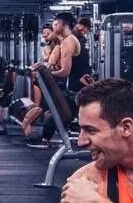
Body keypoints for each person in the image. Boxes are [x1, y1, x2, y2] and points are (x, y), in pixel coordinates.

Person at [29, 12, 91, 149]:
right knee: (54, 108)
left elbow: (64, 72)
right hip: (73, 85)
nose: (53, 27)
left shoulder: (68, 42)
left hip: (78, 86)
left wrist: (46, 72)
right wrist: (43, 67)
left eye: (56, 24)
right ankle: (45, 137)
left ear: (65, 25)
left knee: (56, 108)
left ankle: (45, 138)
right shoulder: (65, 41)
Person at [21, 26, 57, 139]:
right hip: (45, 79)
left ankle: (42, 134)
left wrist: (41, 65)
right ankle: (30, 131)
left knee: (44, 106)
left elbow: (51, 64)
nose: (45, 35)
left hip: (54, 80)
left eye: (48, 33)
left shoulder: (58, 47)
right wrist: (33, 67)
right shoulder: (47, 47)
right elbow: (43, 62)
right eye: (44, 33)